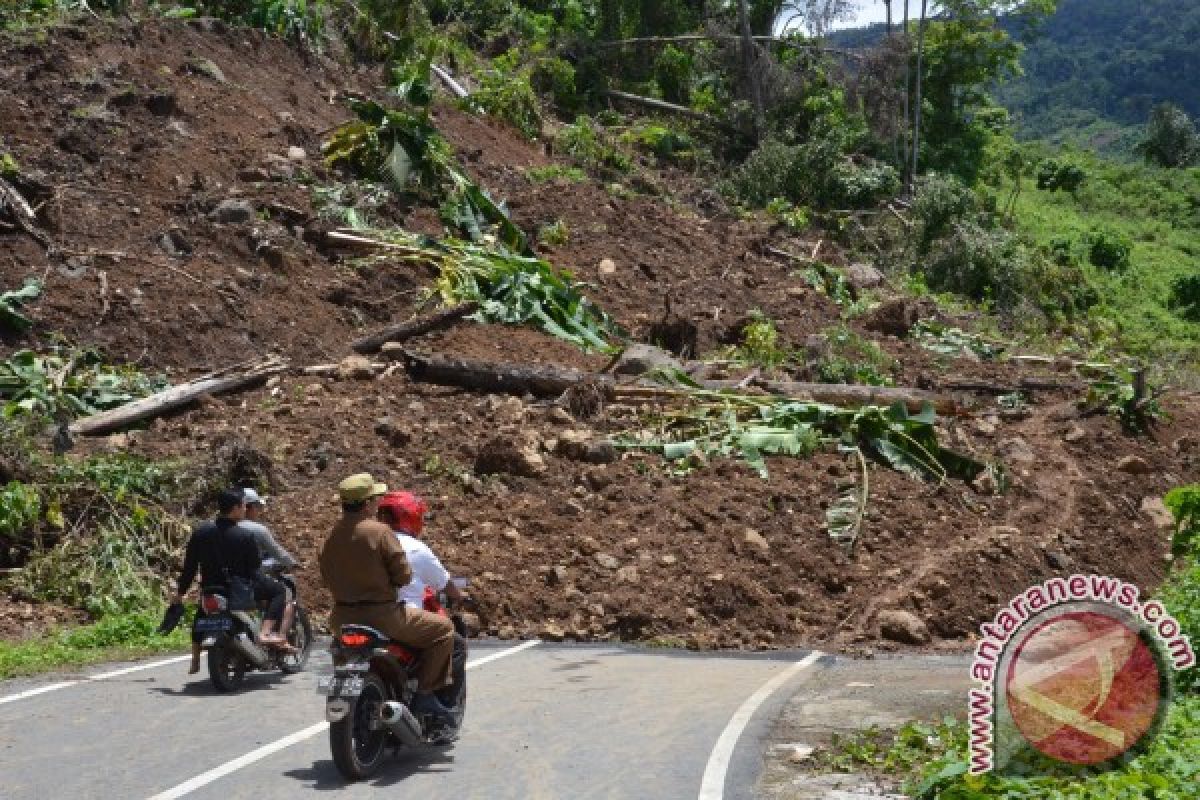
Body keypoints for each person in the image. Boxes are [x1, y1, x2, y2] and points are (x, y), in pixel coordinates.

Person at [318, 473, 457, 724]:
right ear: (368, 503)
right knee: (444, 630)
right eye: (375, 499)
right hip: (384, 616)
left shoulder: (330, 536)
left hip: (341, 618)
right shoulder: (380, 532)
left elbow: (326, 576)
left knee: (341, 652)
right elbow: (403, 576)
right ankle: (425, 694)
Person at [376, 490, 468, 710]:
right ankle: (426, 695)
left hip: (356, 616)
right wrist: (460, 596)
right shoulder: (416, 548)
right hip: (399, 618)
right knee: (454, 641)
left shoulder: (365, 543)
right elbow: (444, 584)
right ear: (410, 517)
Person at [171, 488, 263, 674]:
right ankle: (264, 638)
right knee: (267, 598)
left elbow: (189, 568)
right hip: (237, 593)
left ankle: (195, 659)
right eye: (243, 506)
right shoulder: (244, 536)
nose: (245, 509)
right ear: (235, 508)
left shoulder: (201, 533)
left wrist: (180, 593)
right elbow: (254, 567)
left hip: (210, 591)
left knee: (201, 617)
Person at [240, 488, 298, 649]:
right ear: (247, 507)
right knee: (281, 592)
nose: (259, 511)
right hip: (251, 579)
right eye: (257, 507)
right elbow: (277, 552)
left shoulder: (219, 529)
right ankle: (275, 635)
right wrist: (292, 563)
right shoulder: (257, 530)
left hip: (225, 580)